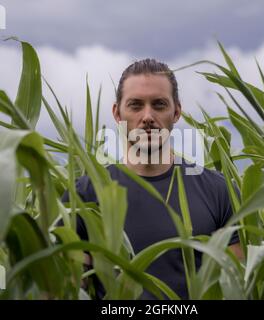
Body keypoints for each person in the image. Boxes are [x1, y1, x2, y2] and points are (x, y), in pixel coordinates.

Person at [60, 58, 243, 299]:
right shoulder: (84, 196)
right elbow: (67, 290)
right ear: (117, 113)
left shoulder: (219, 192)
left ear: (176, 111)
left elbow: (236, 287)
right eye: (135, 105)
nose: (147, 116)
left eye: (159, 105)